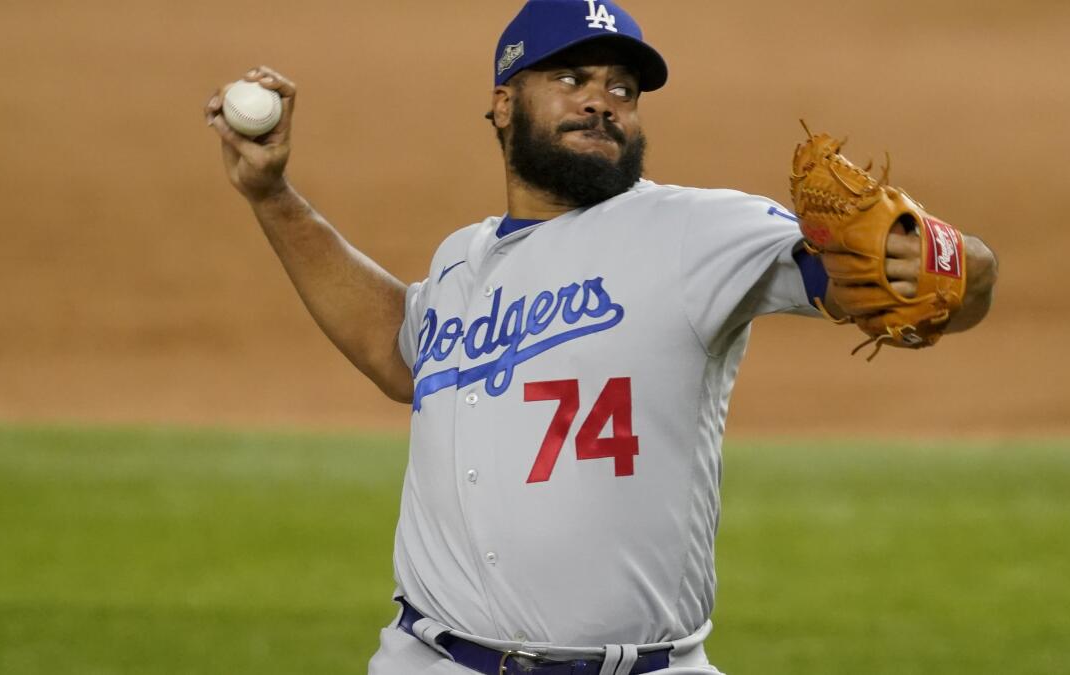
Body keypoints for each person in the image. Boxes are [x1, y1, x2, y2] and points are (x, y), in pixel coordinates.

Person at [204, 1, 998, 673]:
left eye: (622, 88)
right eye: (571, 78)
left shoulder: (695, 230)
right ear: (505, 102)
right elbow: (397, 348)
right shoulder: (462, 260)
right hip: (428, 656)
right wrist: (271, 194)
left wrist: (945, 262)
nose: (602, 101)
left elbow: (931, 285)